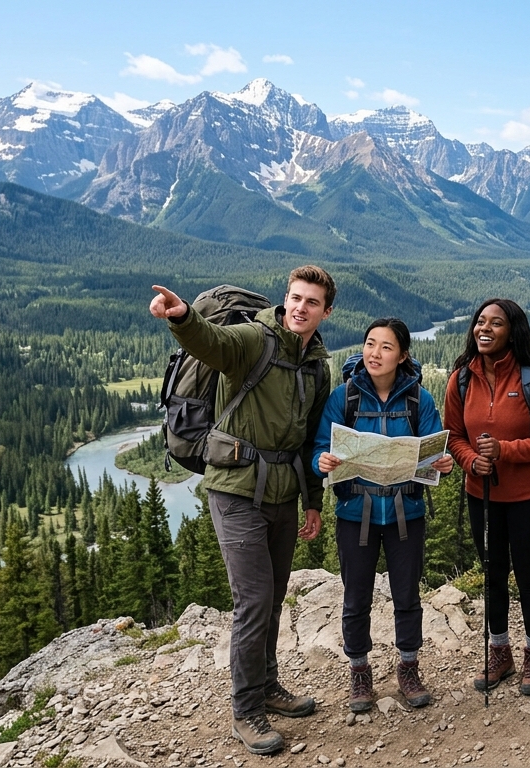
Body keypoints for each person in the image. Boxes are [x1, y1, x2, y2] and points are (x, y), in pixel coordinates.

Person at [149, 267, 334, 756]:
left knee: (272, 598)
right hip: (233, 489)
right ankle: (246, 709)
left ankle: (269, 686)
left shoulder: (317, 365)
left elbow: (312, 440)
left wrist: (313, 502)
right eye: (295, 298)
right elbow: (212, 344)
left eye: (311, 302)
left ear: (325, 311)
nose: (300, 308)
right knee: (252, 600)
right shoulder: (255, 339)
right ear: (285, 299)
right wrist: (182, 317)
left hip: (283, 493)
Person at [311, 318, 454, 713]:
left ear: (403, 355)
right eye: (370, 344)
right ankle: (359, 673)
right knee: (355, 597)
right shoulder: (344, 397)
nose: (375, 353)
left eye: (386, 347)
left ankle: (408, 668)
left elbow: (434, 451)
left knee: (407, 596)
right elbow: (319, 447)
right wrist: (320, 460)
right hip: (355, 513)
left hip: (406, 512)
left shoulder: (419, 400)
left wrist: (442, 464)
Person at [444, 298, 530, 696]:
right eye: (480, 321)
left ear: (512, 331)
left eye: (495, 323)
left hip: (529, 495)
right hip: (483, 495)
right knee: (493, 574)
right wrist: (470, 460)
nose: (485, 329)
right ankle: (499, 652)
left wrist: (504, 451)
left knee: (527, 574)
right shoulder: (461, 378)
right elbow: (453, 436)